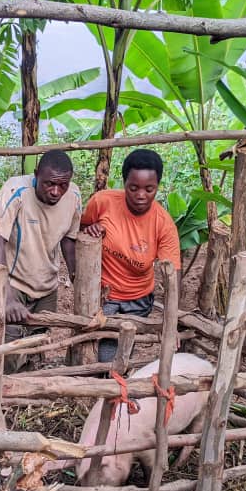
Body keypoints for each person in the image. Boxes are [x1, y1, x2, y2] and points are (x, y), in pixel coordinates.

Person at [80, 148, 181, 363]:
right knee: (94, 350)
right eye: (133, 188)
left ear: (158, 186)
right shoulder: (102, 202)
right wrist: (91, 230)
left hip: (137, 299)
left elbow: (173, 275)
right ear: (124, 182)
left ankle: (113, 379)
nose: (141, 195)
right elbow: (80, 229)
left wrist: (172, 320)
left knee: (119, 352)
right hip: (103, 295)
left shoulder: (163, 224)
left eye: (149, 189)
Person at [0, 150, 81, 372]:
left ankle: (28, 386)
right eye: (49, 184)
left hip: (47, 285)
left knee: (36, 347)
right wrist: (7, 296)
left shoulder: (73, 196)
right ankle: (5, 389)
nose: (56, 191)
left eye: (63, 185)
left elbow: (69, 239)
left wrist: (78, 278)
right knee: (8, 351)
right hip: (13, 282)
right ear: (37, 174)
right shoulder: (16, 190)